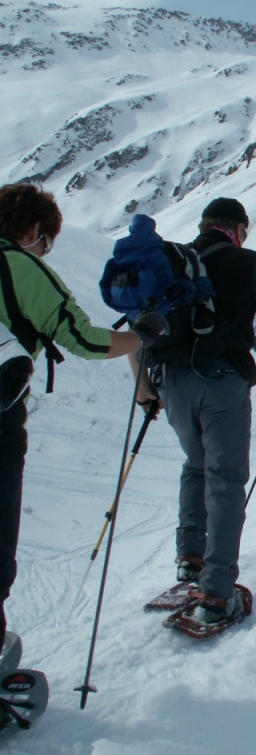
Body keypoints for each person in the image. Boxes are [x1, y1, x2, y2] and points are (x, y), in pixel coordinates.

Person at [132, 197, 256, 624]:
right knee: (226, 480)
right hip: (221, 380)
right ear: (237, 229)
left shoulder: (172, 262)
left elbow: (139, 325)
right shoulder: (248, 261)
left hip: (170, 380)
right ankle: (216, 592)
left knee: (194, 466)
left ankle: (190, 562)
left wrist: (144, 388)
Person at [0, 183, 147, 646]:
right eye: (46, 242)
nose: (45, 251)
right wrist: (142, 337)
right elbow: (82, 339)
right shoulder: (19, 267)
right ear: (34, 230)